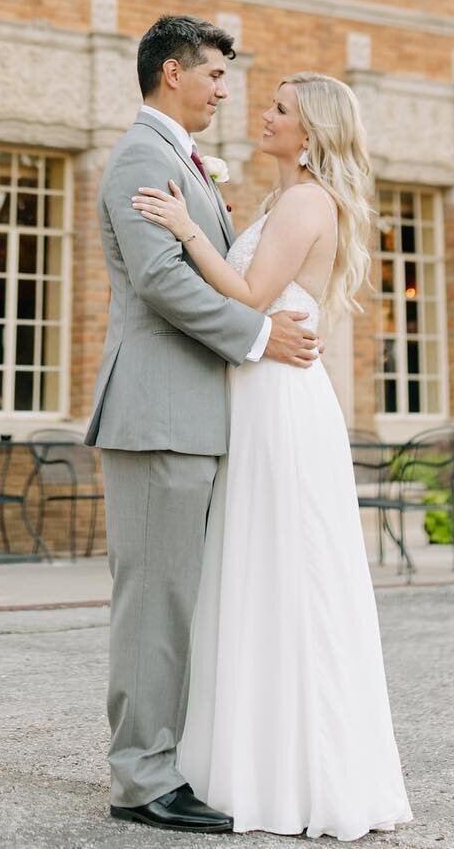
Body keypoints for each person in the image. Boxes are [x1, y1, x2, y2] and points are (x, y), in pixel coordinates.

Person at [133, 69, 412, 840]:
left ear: (312, 132)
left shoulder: (305, 200)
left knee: (288, 574)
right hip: (259, 395)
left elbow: (250, 296)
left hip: (281, 403)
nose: (265, 114)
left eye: (281, 109)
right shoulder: (281, 201)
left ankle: (298, 777)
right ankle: (247, 762)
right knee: (254, 572)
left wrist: (186, 226)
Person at [87, 15, 322, 834]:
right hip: (158, 413)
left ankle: (166, 759)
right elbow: (161, 282)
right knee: (154, 601)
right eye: (215, 74)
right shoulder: (142, 160)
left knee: (178, 599)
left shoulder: (180, 160)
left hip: (195, 413)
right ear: (172, 73)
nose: (226, 90)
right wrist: (259, 337)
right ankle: (142, 778)